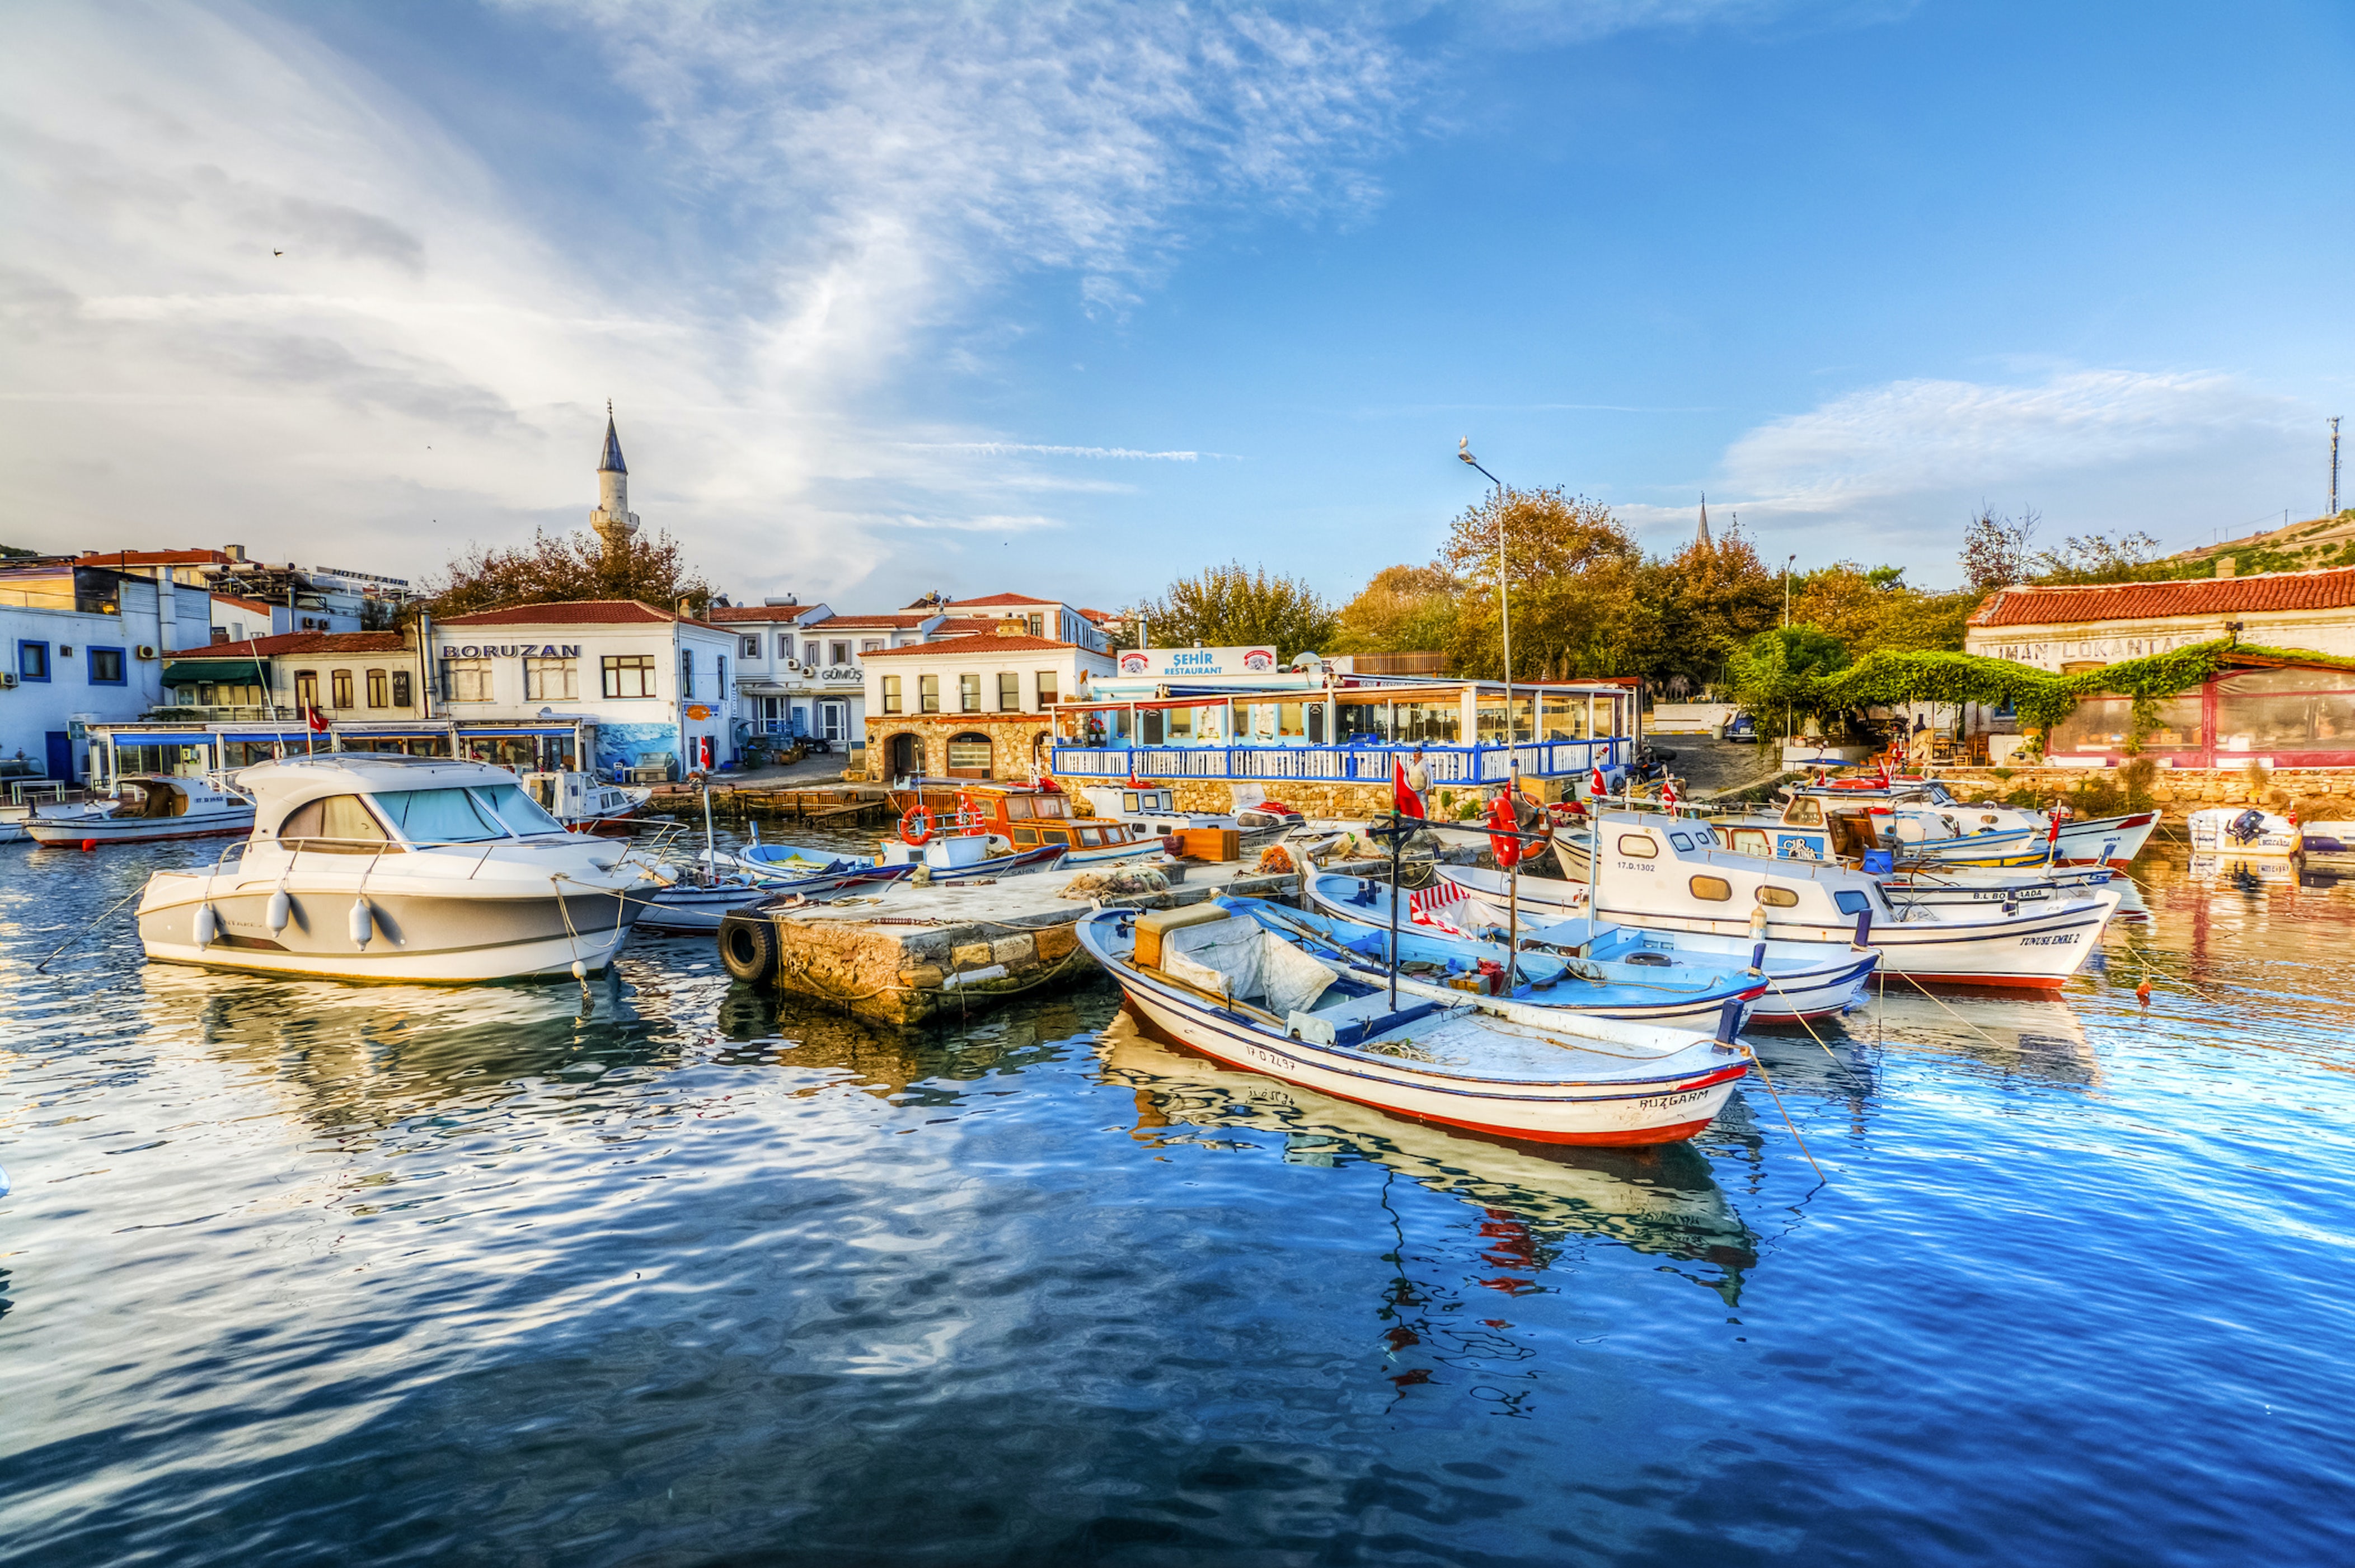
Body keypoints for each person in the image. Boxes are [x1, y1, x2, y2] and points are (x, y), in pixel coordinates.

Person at [1405, 746, 1431, 814]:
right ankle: (1411, 823)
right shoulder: (1411, 764)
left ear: (1421, 754)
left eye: (1417, 753)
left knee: (1423, 808)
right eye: (1414, 753)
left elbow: (1429, 776)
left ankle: (1424, 823)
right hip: (1412, 790)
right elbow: (1407, 774)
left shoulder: (1425, 764)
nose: (1415, 755)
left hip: (1422, 790)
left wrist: (1428, 788)